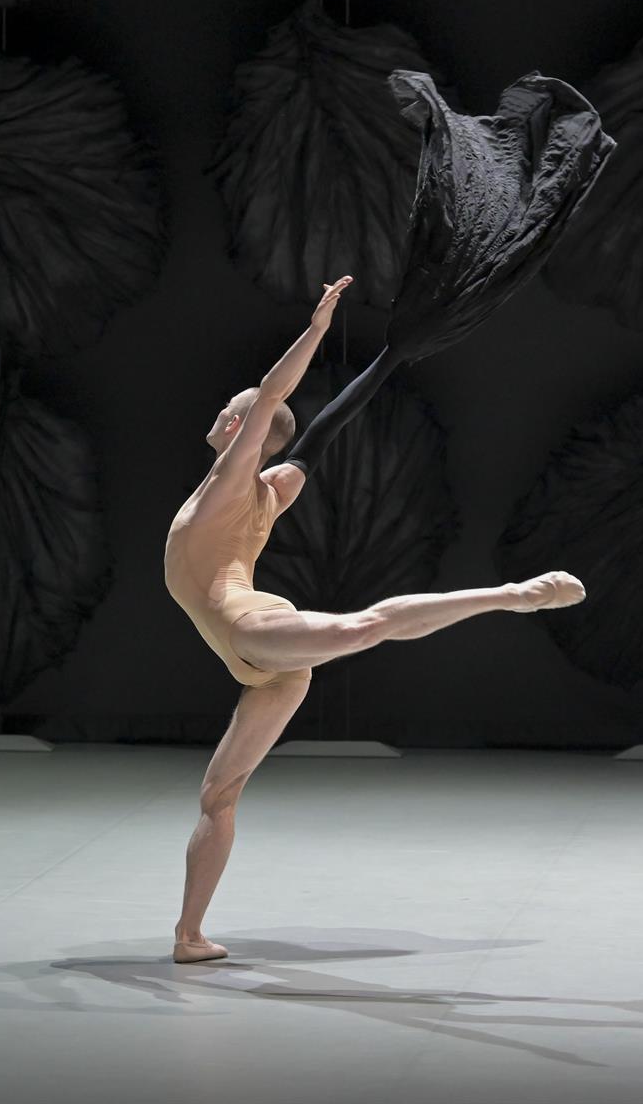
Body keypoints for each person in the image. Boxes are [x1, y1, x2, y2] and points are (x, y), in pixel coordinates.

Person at [162, 275, 587, 964]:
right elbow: (323, 431)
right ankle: (189, 937)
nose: (220, 413)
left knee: (362, 627)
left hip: (251, 628)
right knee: (219, 796)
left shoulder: (233, 479)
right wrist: (389, 358)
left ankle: (511, 594)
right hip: (264, 669)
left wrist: (317, 331)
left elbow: (274, 396)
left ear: (241, 432)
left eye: (230, 411)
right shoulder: (271, 489)